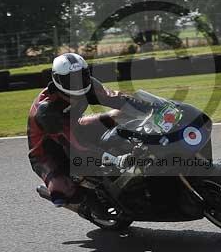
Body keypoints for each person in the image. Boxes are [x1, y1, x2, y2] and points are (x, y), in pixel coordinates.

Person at [27, 52, 151, 215]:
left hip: (75, 126)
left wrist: (151, 108)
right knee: (62, 190)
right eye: (70, 79)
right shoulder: (47, 110)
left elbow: (117, 98)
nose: (77, 83)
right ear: (57, 80)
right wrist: (114, 159)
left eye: (81, 76)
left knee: (119, 115)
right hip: (48, 151)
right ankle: (82, 203)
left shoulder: (91, 86)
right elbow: (75, 145)